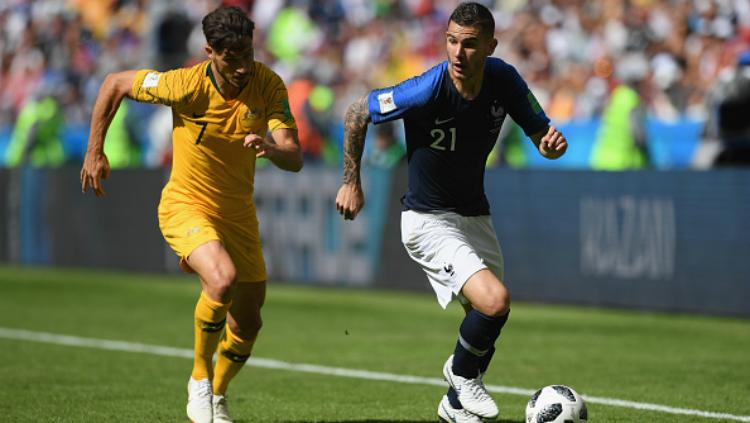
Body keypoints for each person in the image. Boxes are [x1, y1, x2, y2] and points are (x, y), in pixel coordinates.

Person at [334, 3, 567, 422]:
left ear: (490, 46)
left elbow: (541, 137)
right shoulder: (427, 89)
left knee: (486, 318)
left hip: (475, 216)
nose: (458, 54)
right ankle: (460, 374)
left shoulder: (504, 79)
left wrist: (548, 145)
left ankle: (454, 406)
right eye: (452, 41)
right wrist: (352, 181)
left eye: (471, 44)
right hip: (427, 220)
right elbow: (356, 112)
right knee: (494, 302)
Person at [79, 7, 303, 423]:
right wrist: (95, 150)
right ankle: (199, 379)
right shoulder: (185, 84)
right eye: (231, 57)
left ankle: (217, 394)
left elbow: (294, 157)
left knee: (250, 321)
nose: (241, 67)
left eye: (247, 54)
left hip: (238, 214)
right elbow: (115, 83)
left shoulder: (268, 83)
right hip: (186, 204)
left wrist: (272, 150)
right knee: (221, 278)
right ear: (209, 52)